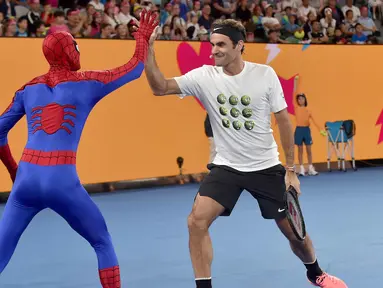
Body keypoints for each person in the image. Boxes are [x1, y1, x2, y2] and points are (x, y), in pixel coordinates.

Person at [144, 18, 347, 288]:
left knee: (295, 236)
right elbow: (160, 87)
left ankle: (316, 273)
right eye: (212, 44)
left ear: (239, 46)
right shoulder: (204, 76)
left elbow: (284, 122)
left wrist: (290, 171)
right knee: (196, 221)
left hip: (265, 166)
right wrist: (148, 51)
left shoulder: (264, 75)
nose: (213, 50)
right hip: (226, 167)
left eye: (221, 45)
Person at [0, 10, 158, 287]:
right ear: (67, 52)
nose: (78, 48)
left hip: (26, 179)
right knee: (101, 242)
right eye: (75, 44)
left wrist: (14, 170)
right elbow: (134, 68)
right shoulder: (87, 83)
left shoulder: (27, 89)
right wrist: (142, 38)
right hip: (61, 178)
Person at [294, 93, 326, 176]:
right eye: (299, 99)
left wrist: (320, 130)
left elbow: (315, 121)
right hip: (299, 130)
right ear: (297, 101)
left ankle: (311, 168)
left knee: (309, 150)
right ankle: (301, 169)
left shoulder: (308, 109)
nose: (301, 100)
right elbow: (294, 92)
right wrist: (296, 81)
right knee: (300, 150)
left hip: (306, 130)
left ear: (305, 100)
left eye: (302, 99)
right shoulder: (296, 108)